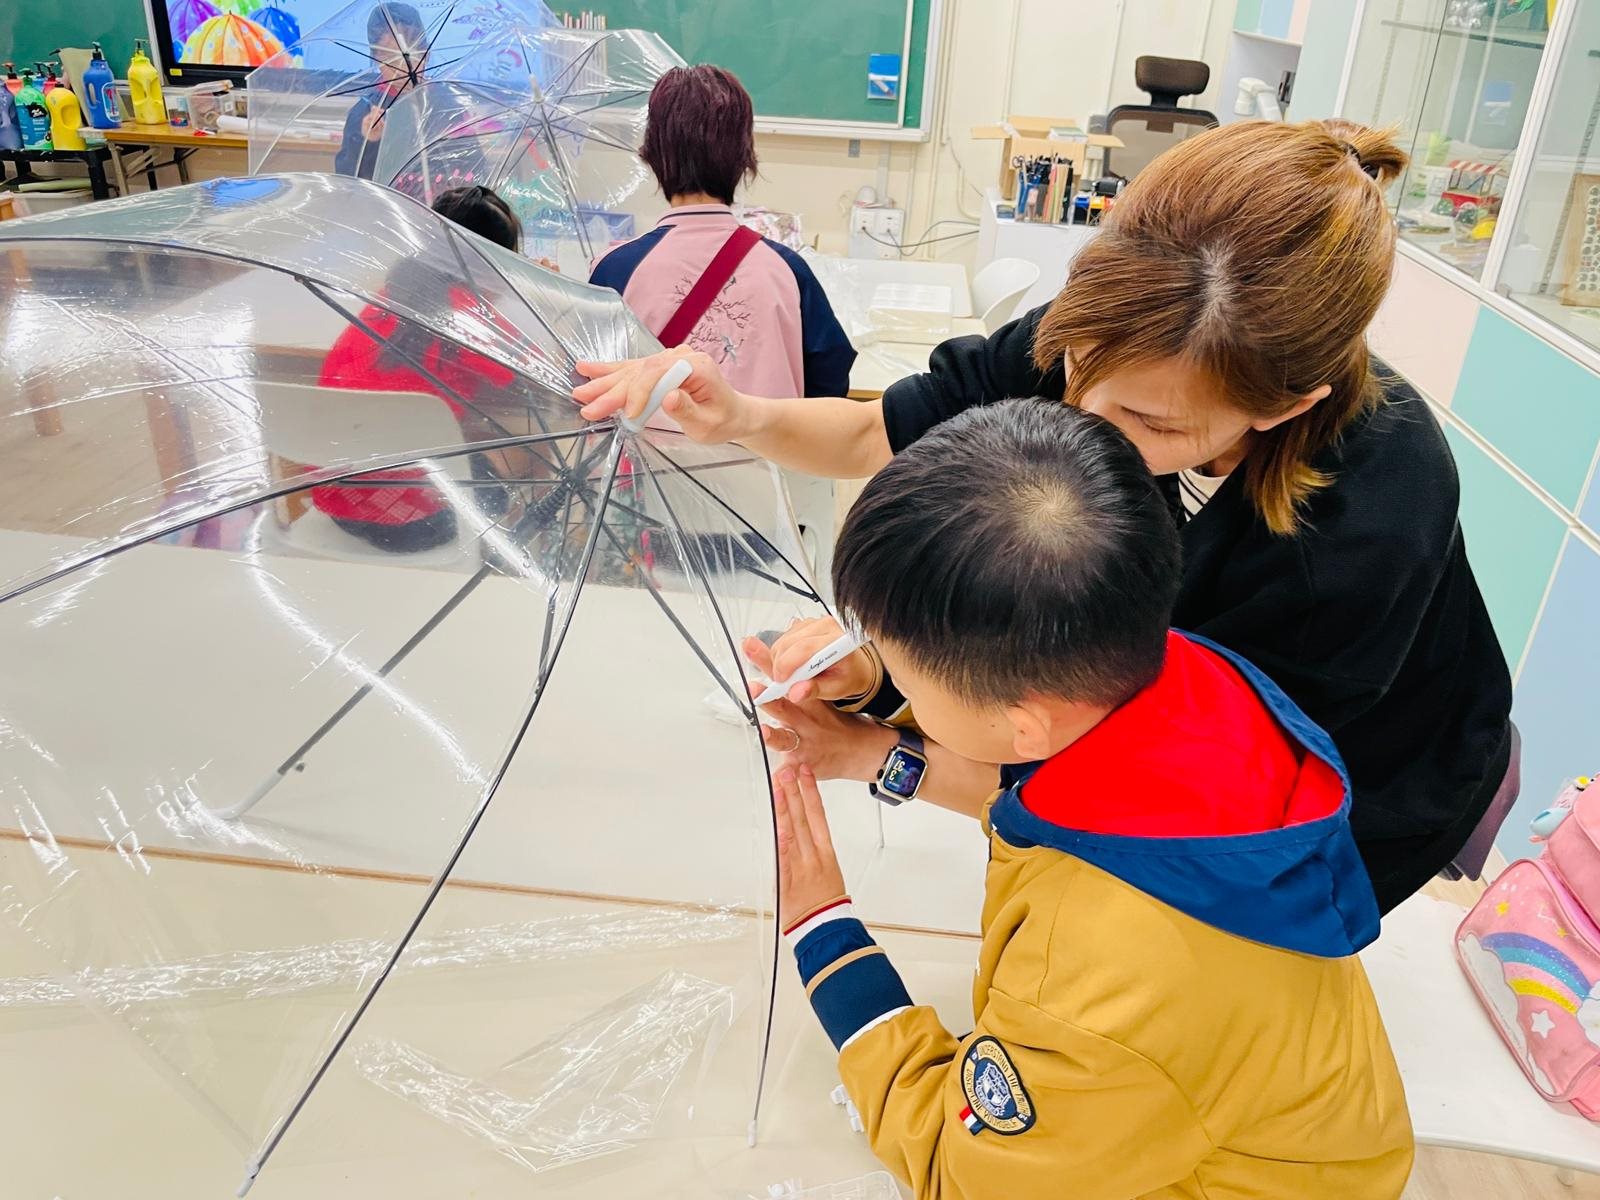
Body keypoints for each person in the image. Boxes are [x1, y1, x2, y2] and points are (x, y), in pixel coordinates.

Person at [573, 118, 1514, 913]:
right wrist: (740, 416)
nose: (1085, 417)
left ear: (1284, 408)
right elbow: (872, 435)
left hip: (1352, 792)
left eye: (1150, 423)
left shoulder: (1358, 533)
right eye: (1075, 370)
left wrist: (884, 746)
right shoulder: (1112, 333)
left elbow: (1151, 786)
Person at [772, 399, 1413, 1199]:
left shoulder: (1094, 989)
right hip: (1271, 1119)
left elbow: (959, 1172)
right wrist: (874, 729)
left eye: (904, 669)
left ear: (1025, 722)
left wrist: (823, 934)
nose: (891, 677)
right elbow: (1037, 788)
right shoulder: (1189, 677)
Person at [588, 65, 855, 399]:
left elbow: (589, 381)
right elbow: (829, 384)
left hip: (651, 436)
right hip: (765, 435)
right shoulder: (787, 271)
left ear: (652, 152)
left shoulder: (612, 270)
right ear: (744, 156)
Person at [311, 186, 522, 552]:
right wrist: (534, 294)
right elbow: (532, 376)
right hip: (418, 522)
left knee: (458, 446)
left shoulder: (392, 294)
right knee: (505, 474)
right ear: (491, 262)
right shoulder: (472, 318)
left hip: (340, 502)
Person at [334, 2, 427, 181]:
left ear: (426, 52)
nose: (403, 64)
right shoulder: (365, 113)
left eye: (411, 51)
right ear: (376, 59)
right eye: (389, 56)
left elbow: (471, 162)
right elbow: (347, 178)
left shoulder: (445, 101)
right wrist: (369, 141)